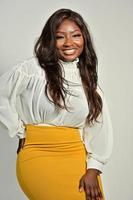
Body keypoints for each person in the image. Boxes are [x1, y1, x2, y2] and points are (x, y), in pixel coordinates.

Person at [0, 8, 113, 200]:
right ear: (50, 40)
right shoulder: (32, 69)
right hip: (37, 157)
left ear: (84, 39)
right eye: (60, 37)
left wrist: (94, 169)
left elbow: (99, 126)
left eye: (76, 35)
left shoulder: (87, 79)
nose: (69, 43)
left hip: (78, 159)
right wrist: (20, 130)